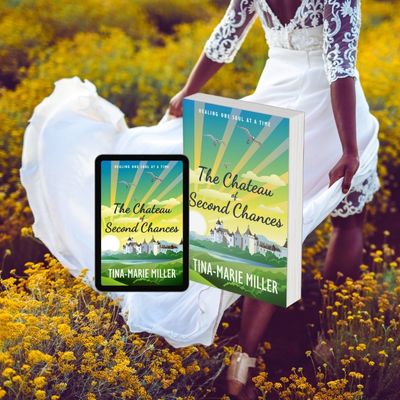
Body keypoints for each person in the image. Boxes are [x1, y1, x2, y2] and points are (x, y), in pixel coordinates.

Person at [20, 0, 380, 398]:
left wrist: (188, 91)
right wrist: (349, 148)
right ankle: (327, 330)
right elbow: (340, 68)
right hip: (329, 115)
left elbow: (225, 38)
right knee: (343, 222)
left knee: (262, 227)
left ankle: (239, 362)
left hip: (272, 107)